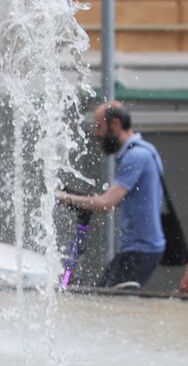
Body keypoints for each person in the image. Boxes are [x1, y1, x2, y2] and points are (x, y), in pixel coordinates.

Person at [58, 101, 165, 289]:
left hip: (141, 249)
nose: (96, 134)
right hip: (139, 248)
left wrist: (62, 197)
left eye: (99, 126)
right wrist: (85, 199)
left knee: (110, 302)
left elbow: (106, 203)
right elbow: (113, 200)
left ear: (115, 124)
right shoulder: (146, 151)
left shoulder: (136, 156)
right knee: (105, 296)